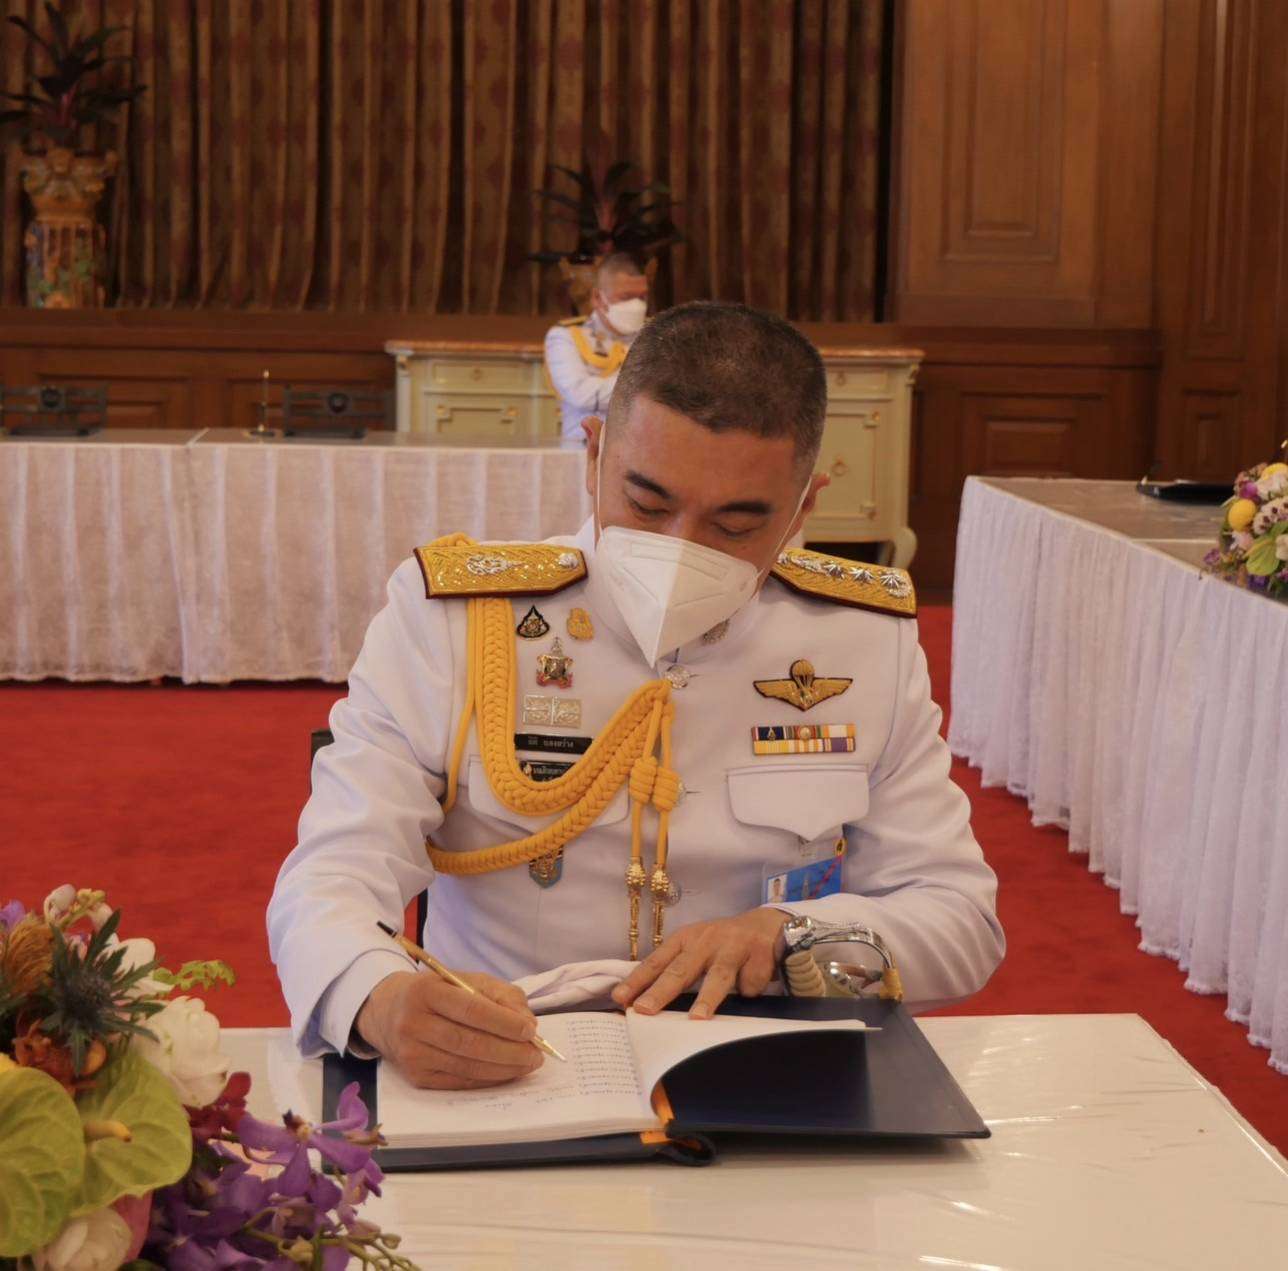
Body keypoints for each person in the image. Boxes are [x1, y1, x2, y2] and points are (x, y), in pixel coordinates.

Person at [268, 301, 1005, 1090]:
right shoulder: (456, 619)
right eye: (647, 504)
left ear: (803, 508)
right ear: (594, 455)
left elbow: (959, 917)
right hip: (510, 1065)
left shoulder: (860, 639)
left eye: (734, 525)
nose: (678, 549)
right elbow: (331, 874)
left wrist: (790, 936)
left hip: (763, 1065)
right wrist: (380, 999)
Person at [544, 253, 648, 441]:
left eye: (642, 297)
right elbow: (581, 394)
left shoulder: (657, 335)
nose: (637, 305)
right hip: (584, 446)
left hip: (643, 445)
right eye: (626, 297)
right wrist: (647, 389)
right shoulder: (566, 336)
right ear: (598, 297)